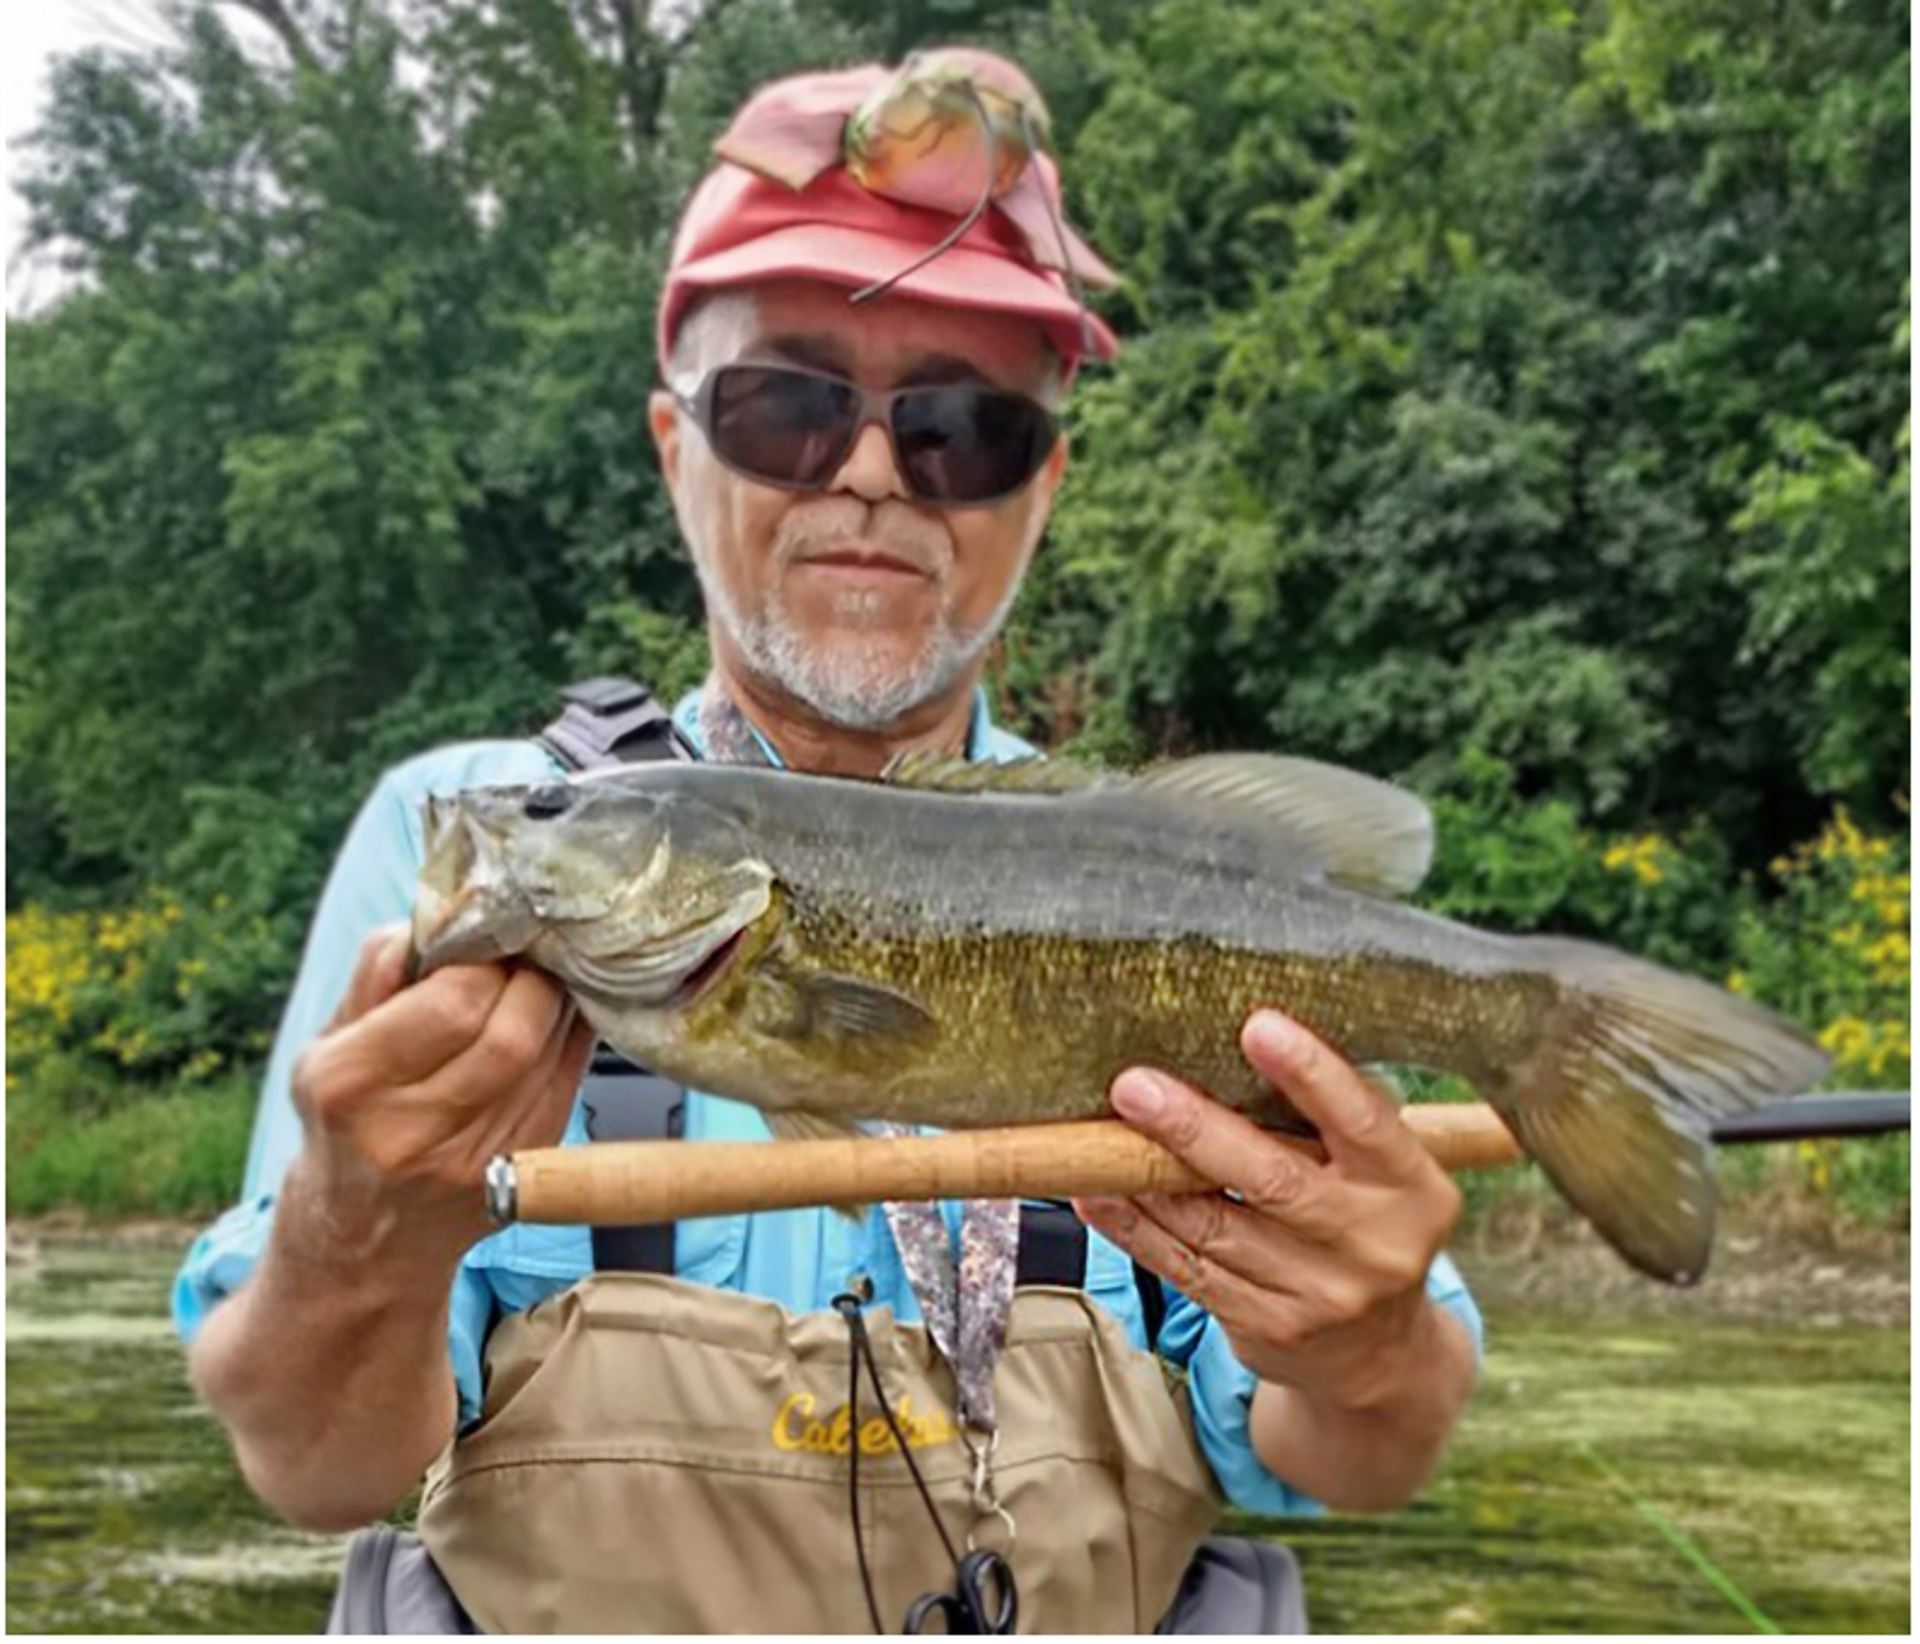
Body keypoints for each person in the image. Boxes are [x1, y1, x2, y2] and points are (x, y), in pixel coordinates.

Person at [172, 48, 1481, 1634]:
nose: (868, 471)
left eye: (961, 429)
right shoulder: (452, 838)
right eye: (784, 405)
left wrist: (1375, 1346)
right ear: (675, 451)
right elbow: (311, 1465)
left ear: (1044, 486)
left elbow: (1356, 1450)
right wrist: (353, 1238)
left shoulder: (1159, 876)